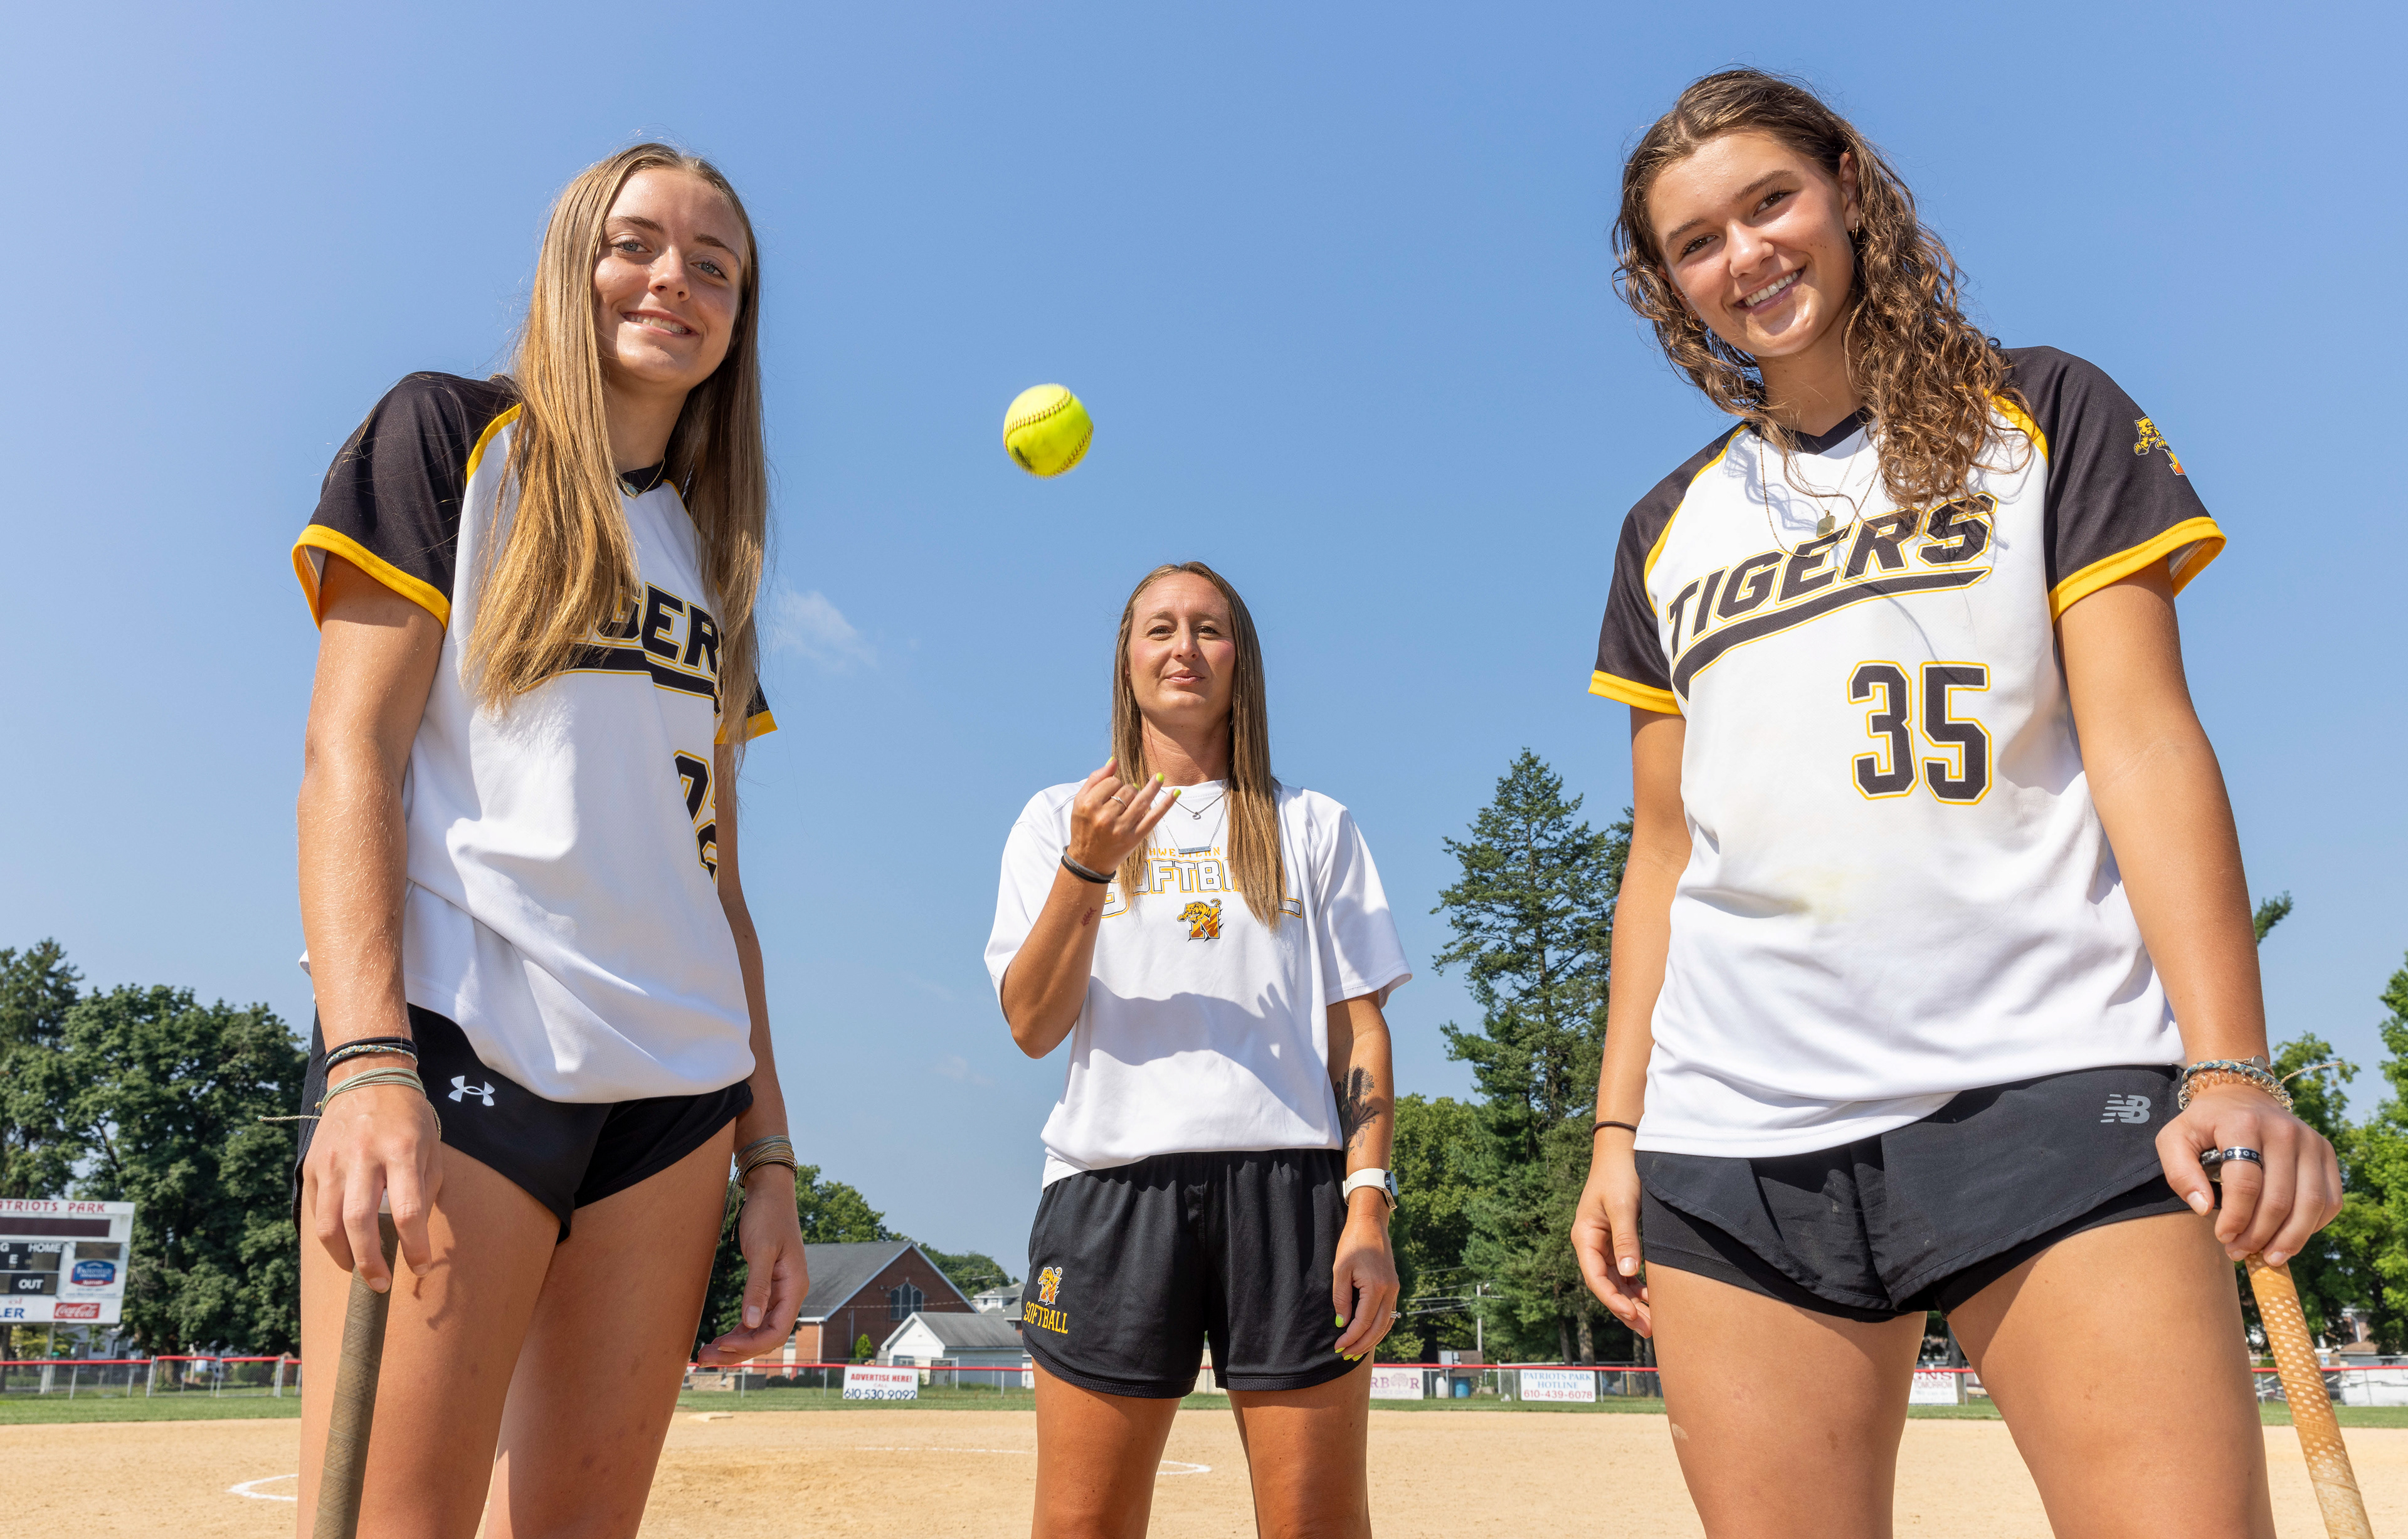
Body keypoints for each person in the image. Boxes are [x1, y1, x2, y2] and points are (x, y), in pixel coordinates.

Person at [1571, 71, 2338, 1539]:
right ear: (1669, 286)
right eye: (1697, 242)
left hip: (2052, 1089)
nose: (1748, 256)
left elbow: (2147, 742)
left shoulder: (2044, 409)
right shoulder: (1666, 528)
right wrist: (1619, 1131)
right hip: (1736, 1131)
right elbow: (1662, 850)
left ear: (1849, 189)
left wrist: (2232, 1059)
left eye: (1771, 202)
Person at [289, 144, 805, 1537]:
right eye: (636, 245)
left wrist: (771, 1158)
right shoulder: (450, 435)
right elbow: (353, 756)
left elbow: (722, 882)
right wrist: (364, 1060)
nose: (674, 282)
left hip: (680, 1096)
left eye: (715, 267)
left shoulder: (717, 559)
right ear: (573, 262)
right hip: (466, 1043)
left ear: (738, 322)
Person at [987, 562, 1413, 1539]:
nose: (1185, 648)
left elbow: (1361, 1033)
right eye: (1159, 629)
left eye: (1210, 629)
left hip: (1294, 1196)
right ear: (1127, 661)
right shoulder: (1059, 818)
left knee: (1317, 1524)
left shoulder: (1314, 824)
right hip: (1111, 1193)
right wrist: (1087, 867)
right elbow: (1031, 1025)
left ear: (1242, 661)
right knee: (1082, 1526)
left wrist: (1368, 1208)